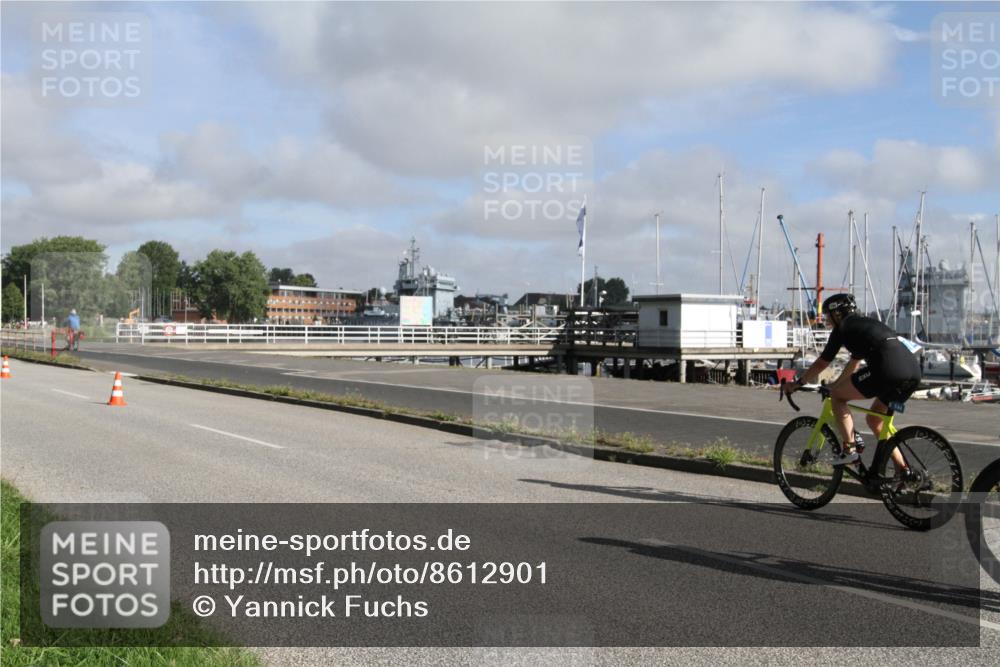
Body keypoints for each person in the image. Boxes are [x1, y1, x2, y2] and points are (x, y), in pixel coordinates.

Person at [783, 293, 921, 466]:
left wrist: (797, 384)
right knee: (875, 420)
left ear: (837, 314)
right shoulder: (864, 325)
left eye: (828, 316)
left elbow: (822, 363)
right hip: (913, 371)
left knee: (838, 398)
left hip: (887, 370)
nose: (828, 321)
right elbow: (853, 364)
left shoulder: (842, 328)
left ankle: (849, 450)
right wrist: (836, 385)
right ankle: (905, 471)